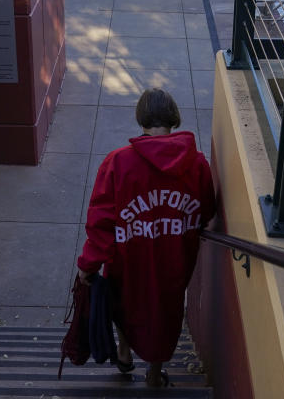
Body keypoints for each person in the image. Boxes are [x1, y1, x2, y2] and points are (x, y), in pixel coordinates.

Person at [76, 88, 216, 388]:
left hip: (127, 258)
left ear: (140, 119)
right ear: (174, 119)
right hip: (175, 258)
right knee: (166, 312)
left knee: (124, 303)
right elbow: (206, 210)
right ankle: (154, 373)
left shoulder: (117, 163)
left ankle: (124, 352)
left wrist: (89, 264)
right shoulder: (198, 164)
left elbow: (101, 221)